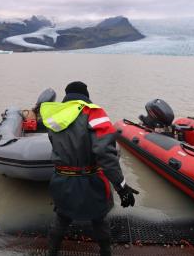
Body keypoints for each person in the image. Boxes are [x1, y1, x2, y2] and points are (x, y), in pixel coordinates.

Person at [40, 81, 139, 256]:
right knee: (99, 220)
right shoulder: (94, 112)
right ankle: (105, 253)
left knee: (61, 218)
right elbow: (105, 153)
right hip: (90, 181)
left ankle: (52, 252)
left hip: (61, 180)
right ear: (86, 95)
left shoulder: (55, 115)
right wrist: (121, 185)